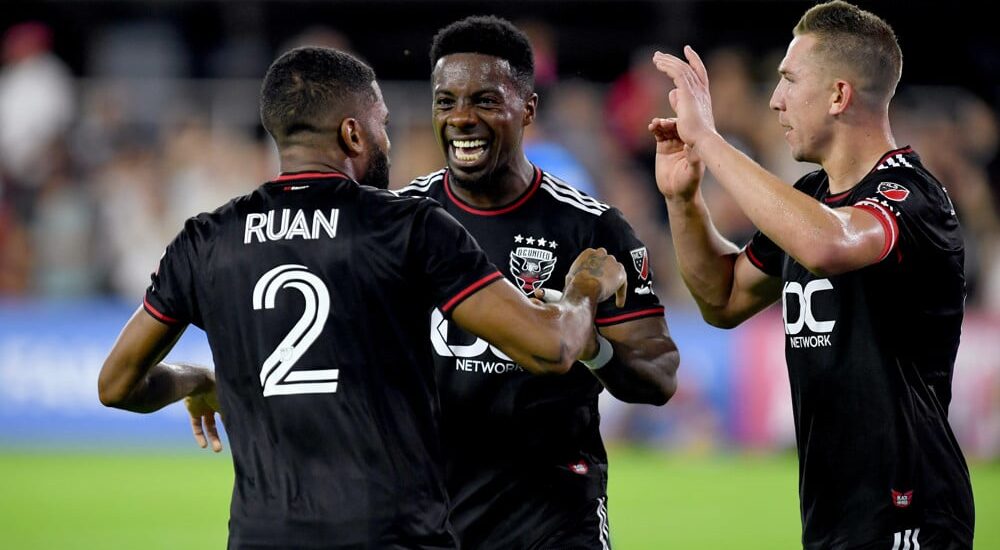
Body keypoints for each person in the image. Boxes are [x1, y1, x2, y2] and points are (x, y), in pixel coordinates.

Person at [97, 46, 629, 549]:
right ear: (353, 133)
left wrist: (197, 379)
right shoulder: (407, 227)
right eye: (383, 125)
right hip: (392, 534)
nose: (387, 142)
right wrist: (585, 285)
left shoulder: (207, 240)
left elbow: (116, 385)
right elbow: (550, 348)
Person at [649, 1, 974, 548]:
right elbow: (722, 299)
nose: (775, 99)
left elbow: (828, 244)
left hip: (910, 512)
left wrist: (710, 139)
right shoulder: (811, 199)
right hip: (832, 513)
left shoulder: (912, 195)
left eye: (789, 79)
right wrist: (684, 201)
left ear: (838, 96)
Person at [398, 16, 679, 549]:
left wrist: (593, 347)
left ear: (527, 109)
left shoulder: (591, 228)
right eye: (445, 102)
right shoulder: (398, 221)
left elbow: (660, 374)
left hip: (553, 514)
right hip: (426, 510)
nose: (461, 118)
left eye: (484, 101)